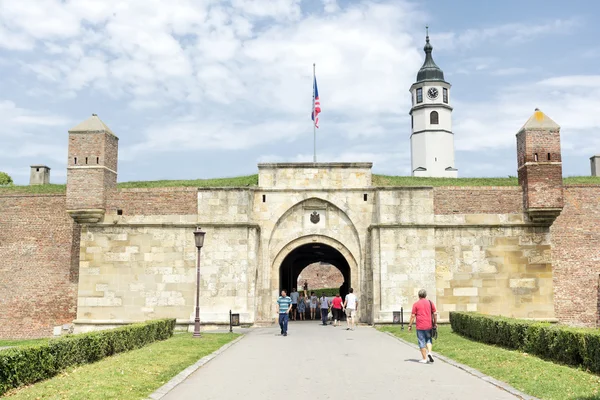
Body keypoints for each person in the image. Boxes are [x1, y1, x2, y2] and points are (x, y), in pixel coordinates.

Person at [408, 289, 437, 363]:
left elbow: (413, 316)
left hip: (420, 326)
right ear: (425, 295)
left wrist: (410, 325)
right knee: (429, 339)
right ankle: (429, 352)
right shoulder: (430, 303)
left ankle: (424, 358)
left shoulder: (416, 304)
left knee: (421, 341)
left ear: (419, 296)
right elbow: (435, 314)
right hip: (429, 325)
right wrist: (435, 323)